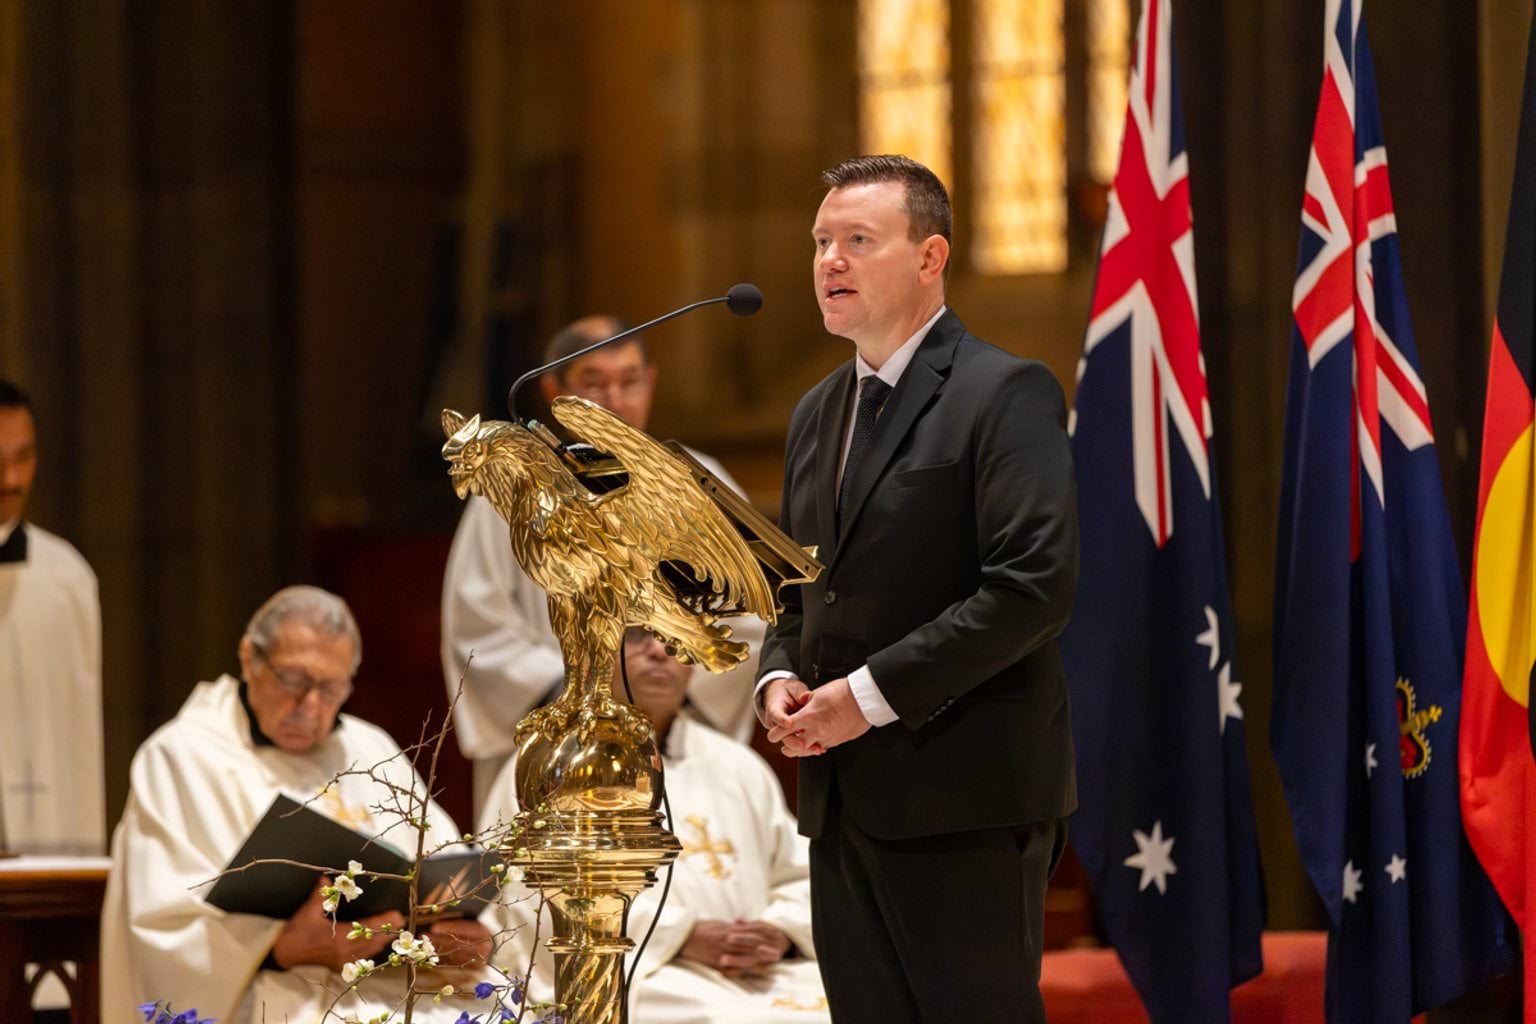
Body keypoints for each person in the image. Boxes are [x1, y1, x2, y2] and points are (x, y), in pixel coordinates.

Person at [756, 155, 1079, 1023]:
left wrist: (865, 697)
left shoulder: (1002, 392)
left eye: (858, 241)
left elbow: (1032, 586)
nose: (829, 261)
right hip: (841, 799)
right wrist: (777, 675)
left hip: (963, 796)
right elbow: (797, 587)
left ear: (930, 258)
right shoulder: (816, 410)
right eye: (822, 242)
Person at [101, 586, 495, 1024]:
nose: (310, 705)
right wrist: (279, 946)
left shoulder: (370, 748)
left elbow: (451, 869)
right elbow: (161, 930)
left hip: (398, 990)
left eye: (331, 688)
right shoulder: (182, 756)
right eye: (294, 680)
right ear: (250, 658)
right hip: (276, 994)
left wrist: (468, 938)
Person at [442, 316, 762, 814]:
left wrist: (663, 696)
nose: (614, 400)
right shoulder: (513, 492)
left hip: (673, 741)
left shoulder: (696, 481)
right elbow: (477, 628)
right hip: (560, 738)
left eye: (629, 381)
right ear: (555, 389)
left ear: (651, 382)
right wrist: (587, 693)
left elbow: (748, 620)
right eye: (594, 383)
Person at [481, 626, 826, 1023]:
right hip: (639, 969)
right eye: (637, 636)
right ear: (594, 652)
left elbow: (801, 874)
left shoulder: (738, 764)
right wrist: (681, 935)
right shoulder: (554, 763)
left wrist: (779, 931)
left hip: (758, 970)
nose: (660, 651)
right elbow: (524, 892)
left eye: (674, 638)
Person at [0, 378, 103, 855]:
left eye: (24, 457)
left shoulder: (67, 576)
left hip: (42, 842)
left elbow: (81, 737)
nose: (12, 480)